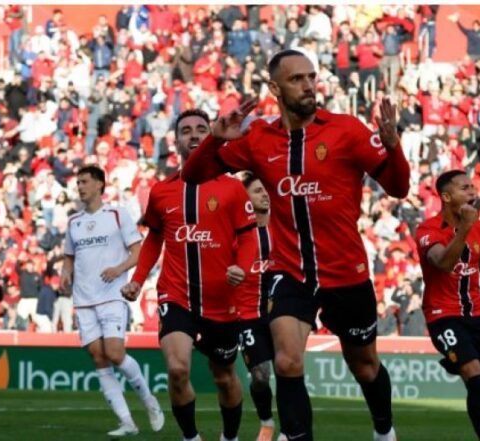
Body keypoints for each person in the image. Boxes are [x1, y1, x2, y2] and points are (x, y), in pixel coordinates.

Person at [181, 49, 410, 441]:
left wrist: (393, 148)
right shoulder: (257, 138)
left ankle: (384, 430)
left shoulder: (346, 130)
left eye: (311, 77)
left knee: (365, 365)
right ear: (275, 88)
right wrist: (214, 140)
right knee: (286, 361)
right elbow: (193, 175)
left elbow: (399, 188)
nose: (307, 85)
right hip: (289, 271)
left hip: (345, 271)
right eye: (296, 79)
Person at [120, 109, 258, 441]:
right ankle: (191, 438)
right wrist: (138, 279)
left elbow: (248, 236)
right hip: (176, 295)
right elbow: (154, 238)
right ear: (176, 141)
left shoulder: (232, 188)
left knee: (224, 376)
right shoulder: (161, 191)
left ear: (211, 135)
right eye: (186, 130)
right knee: (178, 369)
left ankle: (229, 437)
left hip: (221, 300)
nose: (194, 135)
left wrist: (242, 267)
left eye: (200, 129)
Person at [415, 170, 480, 441]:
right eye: (464, 188)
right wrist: (463, 229)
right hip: (443, 315)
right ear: (447, 197)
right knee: (475, 379)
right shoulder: (427, 230)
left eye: (472, 186)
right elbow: (444, 263)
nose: (473, 191)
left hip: (479, 314)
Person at [61, 165, 164, 437]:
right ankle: (127, 422)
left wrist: (118, 270)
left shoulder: (118, 214)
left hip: (111, 296)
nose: (80, 187)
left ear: (99, 184)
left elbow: (138, 252)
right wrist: (65, 274)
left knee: (115, 353)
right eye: (78, 183)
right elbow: (69, 257)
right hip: (84, 299)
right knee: (98, 357)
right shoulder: (73, 222)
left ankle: (149, 402)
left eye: (84, 182)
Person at [238, 172, 281, 441]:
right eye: (257, 191)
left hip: (281, 313)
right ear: (246, 199)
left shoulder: (283, 229)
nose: (264, 194)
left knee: (286, 371)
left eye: (266, 190)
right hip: (248, 315)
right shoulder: (238, 234)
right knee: (260, 376)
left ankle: (290, 429)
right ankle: (266, 422)